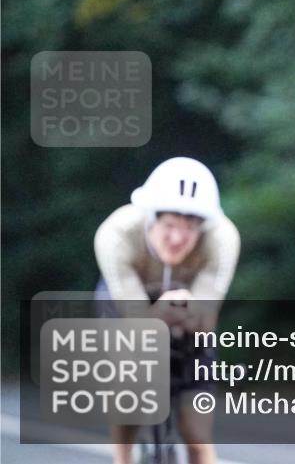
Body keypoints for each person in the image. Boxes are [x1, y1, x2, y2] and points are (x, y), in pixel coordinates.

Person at [94, 156, 241, 464]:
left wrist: (191, 315)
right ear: (150, 219)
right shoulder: (116, 234)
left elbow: (205, 321)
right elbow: (134, 320)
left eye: (189, 229)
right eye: (169, 225)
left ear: (204, 227)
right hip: (129, 299)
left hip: (190, 302)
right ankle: (122, 457)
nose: (177, 238)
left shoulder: (223, 238)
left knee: (197, 434)